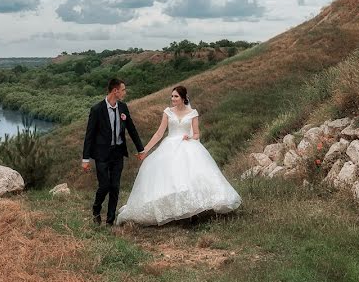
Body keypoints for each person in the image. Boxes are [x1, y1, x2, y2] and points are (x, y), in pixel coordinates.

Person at [115, 86, 241, 225]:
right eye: (172, 96)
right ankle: (176, 210)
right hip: (170, 146)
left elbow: (197, 133)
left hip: (188, 145)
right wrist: (145, 150)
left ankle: (193, 212)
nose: (173, 99)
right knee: (173, 179)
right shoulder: (168, 112)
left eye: (176, 96)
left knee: (191, 177)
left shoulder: (193, 113)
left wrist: (191, 136)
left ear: (183, 98)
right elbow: (159, 133)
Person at [82, 78, 144, 225]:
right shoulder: (97, 109)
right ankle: (96, 209)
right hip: (102, 154)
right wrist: (85, 159)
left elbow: (132, 129)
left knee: (115, 186)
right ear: (115, 91)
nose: (125, 92)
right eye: (123, 90)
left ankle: (110, 221)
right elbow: (89, 135)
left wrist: (141, 149)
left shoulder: (123, 107)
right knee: (104, 186)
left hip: (118, 152)